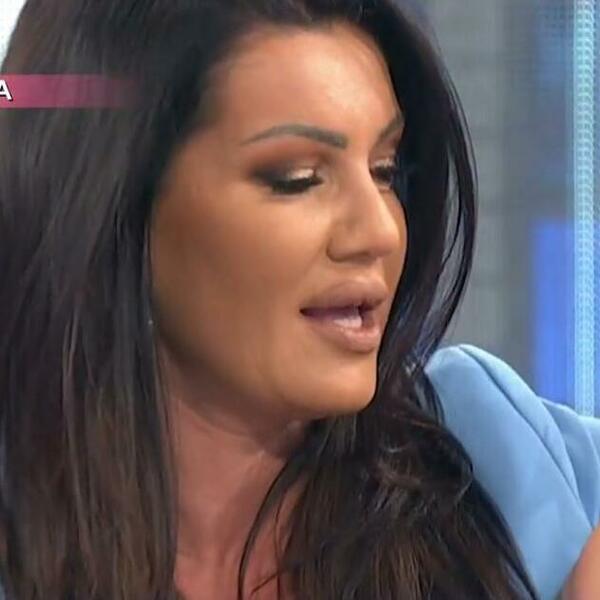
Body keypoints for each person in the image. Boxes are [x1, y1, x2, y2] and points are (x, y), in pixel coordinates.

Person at [0, 0, 598, 598]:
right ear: (115, 206)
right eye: (297, 179)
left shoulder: (497, 454)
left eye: (386, 171)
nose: (380, 231)